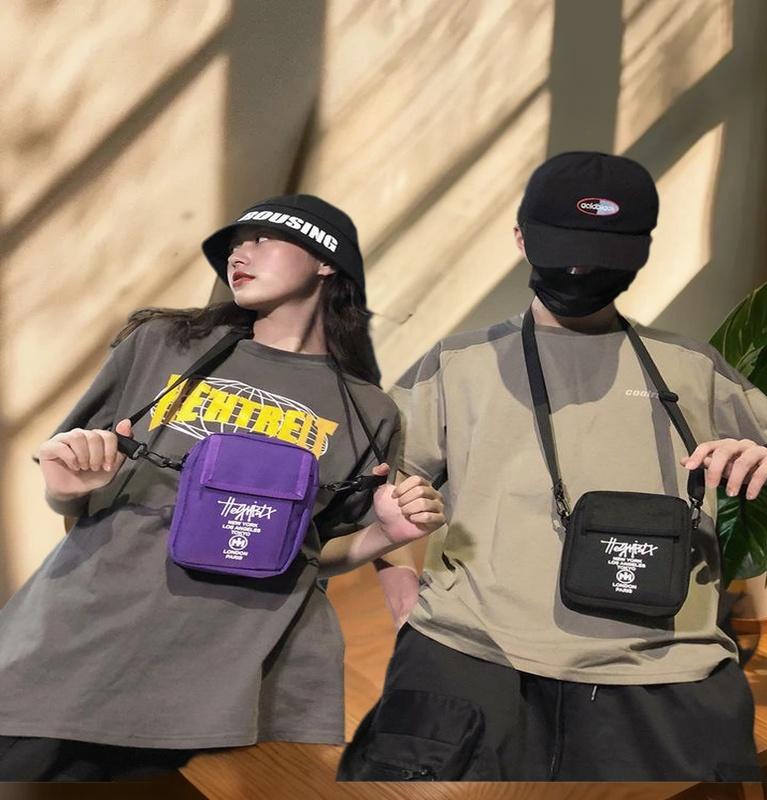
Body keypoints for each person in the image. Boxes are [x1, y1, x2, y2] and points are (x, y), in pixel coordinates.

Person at [340, 152, 767, 782]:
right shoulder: (458, 364)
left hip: (664, 663)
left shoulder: (691, 368)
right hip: (474, 655)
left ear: (640, 253)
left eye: (602, 255)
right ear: (522, 239)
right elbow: (379, 491)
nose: (580, 270)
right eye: (566, 250)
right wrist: (406, 613)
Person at [0, 194, 446, 781]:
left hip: (228, 685)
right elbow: (74, 499)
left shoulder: (369, 412)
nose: (239, 253)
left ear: (326, 261)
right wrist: (66, 490)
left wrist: (384, 536)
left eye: (261, 239)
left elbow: (312, 556)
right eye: (235, 244)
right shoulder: (161, 344)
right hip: (82, 644)